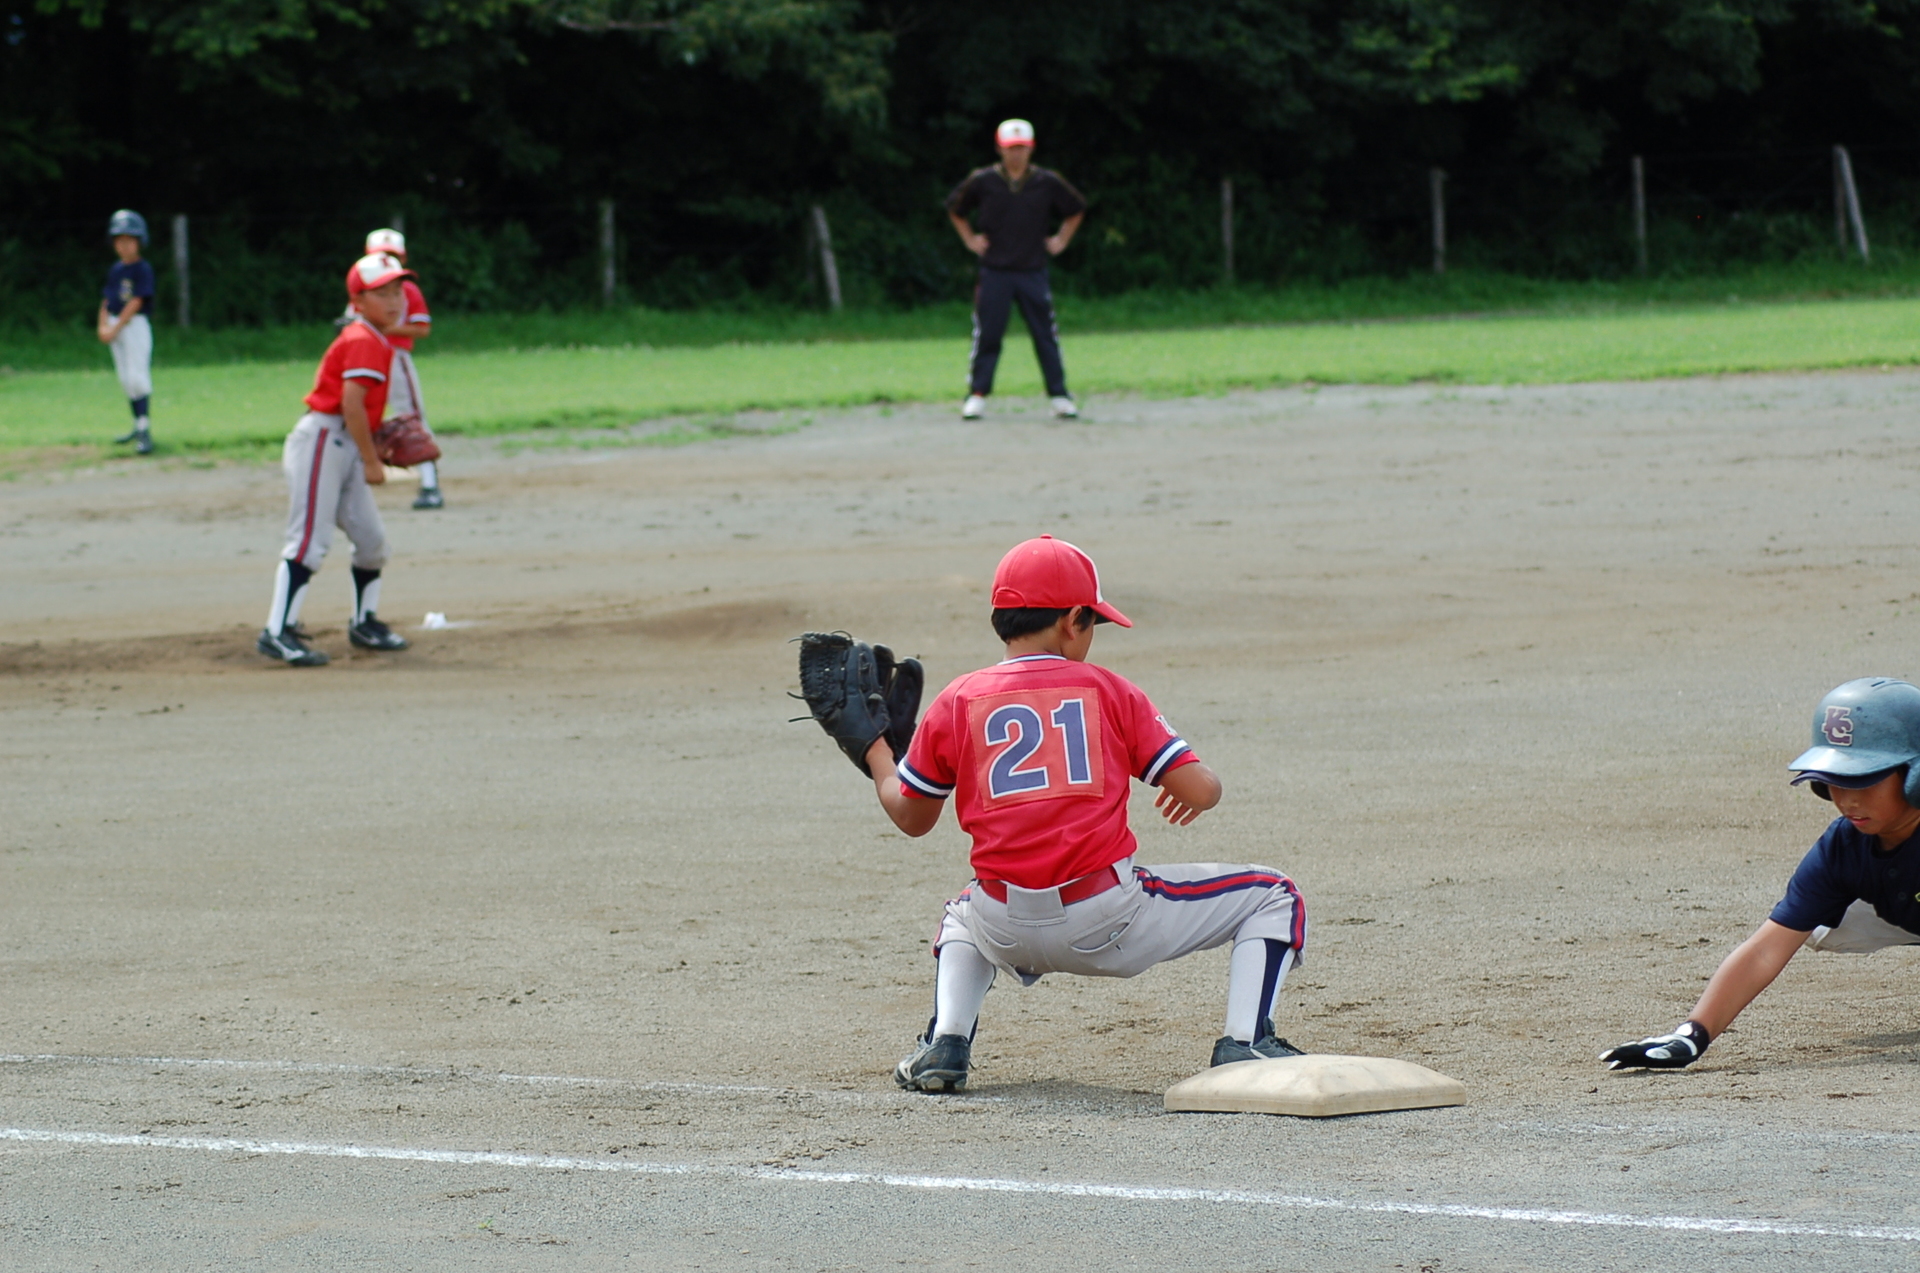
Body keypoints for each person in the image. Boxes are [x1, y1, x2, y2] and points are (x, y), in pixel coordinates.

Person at [866, 535, 1309, 1092]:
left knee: (962, 915)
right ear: (1073, 620)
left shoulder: (957, 698)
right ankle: (1245, 1040)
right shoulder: (1108, 689)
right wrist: (1188, 785)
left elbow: (911, 815)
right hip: (1108, 919)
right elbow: (1201, 791)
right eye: (1093, 622)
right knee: (1275, 895)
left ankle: (947, 1042)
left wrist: (876, 750)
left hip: (1002, 922)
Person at [1603, 677, 1920, 1071]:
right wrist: (1693, 1034)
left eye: (1864, 778)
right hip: (1899, 908)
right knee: (1818, 929)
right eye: (1835, 780)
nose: (1847, 799)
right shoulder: (1844, 847)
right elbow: (1764, 950)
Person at [255, 253, 415, 667]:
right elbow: (351, 405)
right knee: (309, 541)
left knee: (372, 543)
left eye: (398, 290)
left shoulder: (376, 337)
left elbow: (361, 411)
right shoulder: (363, 338)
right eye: (382, 293)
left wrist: (371, 444)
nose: (395, 300)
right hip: (323, 443)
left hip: (341, 442)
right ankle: (276, 632)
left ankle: (365, 623)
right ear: (358, 301)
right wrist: (373, 460)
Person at [945, 119, 1087, 422]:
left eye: (1022, 148)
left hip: (1032, 270)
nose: (1016, 155)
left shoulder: (1046, 182)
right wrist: (970, 239)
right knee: (988, 334)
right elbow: (956, 209)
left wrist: (1061, 239)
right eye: (1011, 149)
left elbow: (1075, 209)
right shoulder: (983, 181)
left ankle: (1059, 395)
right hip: (995, 271)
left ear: (1031, 149)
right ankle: (977, 395)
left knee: (1044, 334)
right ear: (999, 149)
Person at [362, 228, 446, 510]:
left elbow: (422, 328)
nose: (386, 261)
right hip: (363, 357)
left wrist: (387, 327)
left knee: (412, 419)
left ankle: (430, 485)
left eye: (392, 256)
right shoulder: (362, 290)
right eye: (380, 256)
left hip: (395, 357)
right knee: (355, 417)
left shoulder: (408, 289)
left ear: (403, 257)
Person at [98, 210, 156, 455]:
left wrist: (116, 326)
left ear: (140, 241)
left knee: (137, 377)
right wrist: (102, 326)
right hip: (116, 324)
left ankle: (145, 430)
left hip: (133, 326)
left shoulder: (142, 269)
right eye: (119, 239)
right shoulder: (116, 269)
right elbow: (107, 300)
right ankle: (136, 425)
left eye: (129, 239)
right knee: (125, 378)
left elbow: (136, 302)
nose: (124, 245)